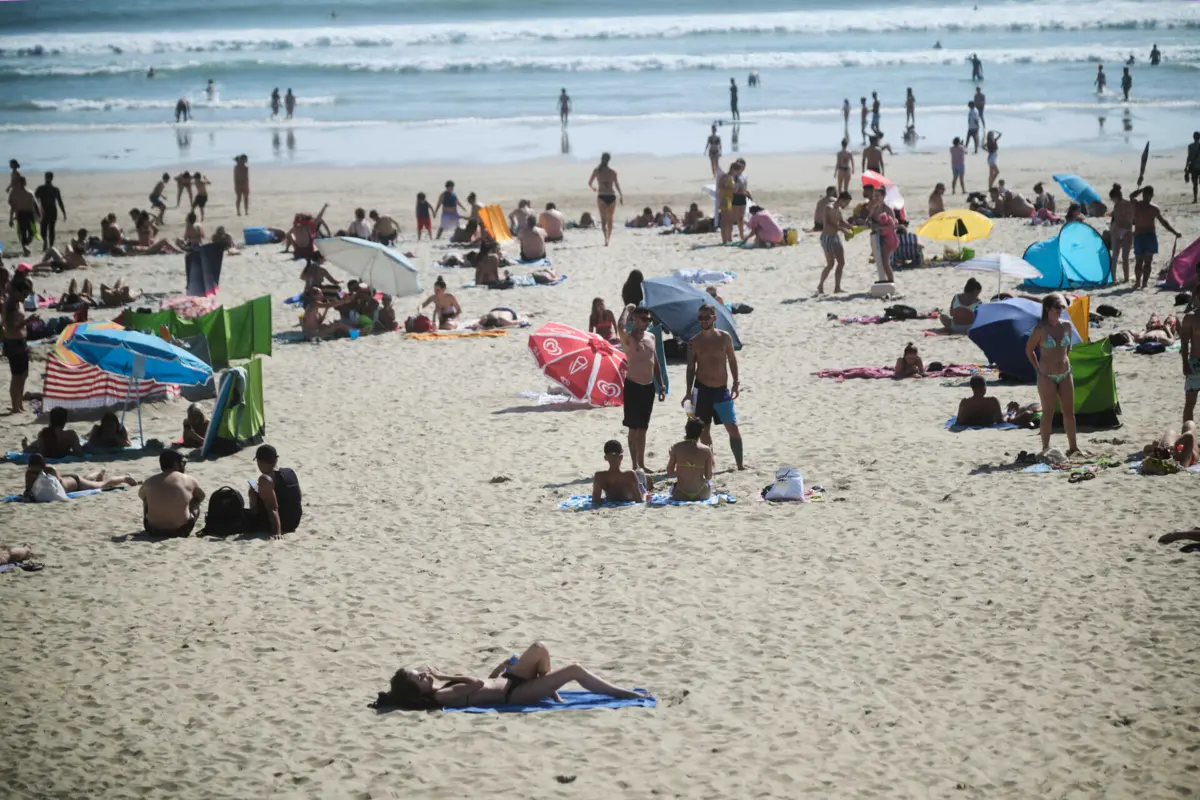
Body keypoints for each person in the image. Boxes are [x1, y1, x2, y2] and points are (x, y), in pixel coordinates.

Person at [370, 641, 645, 711]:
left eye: (421, 673)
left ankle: (550, 688)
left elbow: (483, 682)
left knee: (540, 648)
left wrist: (500, 669)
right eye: (420, 679)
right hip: (514, 694)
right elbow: (477, 685)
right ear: (418, 693)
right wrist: (444, 674)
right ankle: (623, 694)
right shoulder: (442, 694)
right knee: (574, 669)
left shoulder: (443, 688)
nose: (425, 675)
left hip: (509, 682)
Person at [682, 303, 743, 470]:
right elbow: (690, 368)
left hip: (721, 389)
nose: (703, 321)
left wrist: (736, 382)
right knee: (703, 430)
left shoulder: (724, 337)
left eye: (706, 317)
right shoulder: (694, 342)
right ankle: (711, 461)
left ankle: (740, 464)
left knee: (732, 427)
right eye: (700, 318)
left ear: (714, 318)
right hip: (702, 390)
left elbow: (731, 359)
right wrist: (688, 393)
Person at [1025, 293, 1081, 455]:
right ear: (1048, 309)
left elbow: (1067, 348)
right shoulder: (1041, 329)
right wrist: (1038, 369)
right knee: (1048, 412)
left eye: (1062, 307)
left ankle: (1073, 447)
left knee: (1069, 412)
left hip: (1065, 373)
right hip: (1046, 376)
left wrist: (1063, 361)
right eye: (1057, 308)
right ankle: (1045, 448)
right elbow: (1029, 350)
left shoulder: (1066, 326)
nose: (1060, 311)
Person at [618, 304, 666, 472]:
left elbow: (655, 362)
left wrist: (661, 384)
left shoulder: (651, 337)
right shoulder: (629, 339)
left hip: (648, 387)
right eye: (643, 319)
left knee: (643, 428)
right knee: (633, 427)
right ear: (635, 319)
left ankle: (642, 463)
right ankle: (634, 465)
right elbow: (620, 327)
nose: (647, 322)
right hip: (633, 386)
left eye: (649, 319)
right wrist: (627, 309)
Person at [140, 450, 205, 537]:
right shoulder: (188, 479)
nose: (184, 466)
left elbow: (141, 495)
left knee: (146, 498)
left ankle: (155, 520)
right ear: (175, 464)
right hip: (181, 530)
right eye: (183, 463)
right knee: (195, 499)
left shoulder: (150, 481)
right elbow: (201, 496)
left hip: (152, 530)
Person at [1129, 186, 1181, 289]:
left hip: (1147, 236)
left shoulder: (1151, 208)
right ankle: (1139, 283)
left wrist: (1174, 232)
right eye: (1145, 195)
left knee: (1145, 262)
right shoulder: (1139, 205)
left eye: (1147, 195)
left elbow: (1163, 222)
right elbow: (1131, 196)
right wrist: (1142, 189)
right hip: (1143, 236)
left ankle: (1143, 283)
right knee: (1140, 262)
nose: (1146, 197)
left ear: (1151, 195)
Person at [24, 454, 136, 501]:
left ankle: (124, 478)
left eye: (36, 471)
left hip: (76, 483)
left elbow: (56, 489)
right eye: (32, 470)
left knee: (102, 485)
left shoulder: (51, 470)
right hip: (71, 480)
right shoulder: (29, 473)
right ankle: (98, 473)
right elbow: (28, 489)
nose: (33, 473)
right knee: (86, 478)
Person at [245, 444, 302, 538]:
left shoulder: (265, 479)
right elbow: (298, 497)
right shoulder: (290, 472)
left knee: (253, 489)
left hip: (278, 524)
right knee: (255, 487)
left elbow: (273, 509)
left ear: (259, 461)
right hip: (294, 522)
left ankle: (253, 514)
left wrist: (277, 533)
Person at [2, 274, 32, 413]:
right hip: (13, 342)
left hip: (21, 341)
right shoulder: (10, 304)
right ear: (17, 291)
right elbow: (10, 327)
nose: (26, 297)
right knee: (17, 376)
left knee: (24, 374)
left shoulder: (18, 303)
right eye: (24, 294)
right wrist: (27, 321)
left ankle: (19, 404)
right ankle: (15, 406)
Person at [666, 418, 714, 501]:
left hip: (680, 493)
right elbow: (708, 476)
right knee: (710, 485)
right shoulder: (706, 450)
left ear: (686, 430)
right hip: (701, 493)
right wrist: (710, 457)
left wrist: (673, 457)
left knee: (673, 488)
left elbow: (670, 473)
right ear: (701, 431)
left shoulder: (676, 447)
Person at [817, 191, 852, 294]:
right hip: (827, 237)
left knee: (841, 262)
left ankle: (837, 287)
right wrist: (842, 229)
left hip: (835, 237)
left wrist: (851, 227)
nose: (847, 205)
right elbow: (828, 224)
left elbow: (841, 222)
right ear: (842, 200)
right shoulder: (829, 208)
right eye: (847, 203)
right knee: (830, 264)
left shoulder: (839, 209)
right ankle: (820, 285)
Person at [591, 439, 647, 505]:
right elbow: (639, 501)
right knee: (640, 473)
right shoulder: (630, 475)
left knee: (640, 474)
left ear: (605, 458)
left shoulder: (599, 477)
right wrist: (645, 496)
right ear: (621, 457)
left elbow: (595, 501)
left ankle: (647, 479)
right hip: (636, 483)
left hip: (639, 482)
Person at [587, 153, 623, 247]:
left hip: (602, 195)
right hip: (611, 196)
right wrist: (621, 195)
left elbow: (590, 183)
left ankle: (605, 238)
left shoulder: (597, 171)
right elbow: (617, 185)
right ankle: (609, 239)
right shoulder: (612, 172)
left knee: (603, 219)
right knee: (610, 219)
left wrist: (594, 188)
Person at [33, 172, 66, 252]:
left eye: (48, 177)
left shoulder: (54, 189)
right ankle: (46, 243)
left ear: (51, 178)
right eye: (47, 177)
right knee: (44, 229)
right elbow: (34, 200)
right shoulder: (41, 188)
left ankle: (50, 246)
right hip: (44, 211)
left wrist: (64, 213)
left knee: (50, 229)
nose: (47, 178)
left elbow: (59, 201)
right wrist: (35, 210)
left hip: (51, 211)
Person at [1108, 183, 1134, 282]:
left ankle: (1114, 279)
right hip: (1127, 230)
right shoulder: (1129, 203)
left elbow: (1118, 218)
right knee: (1125, 257)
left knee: (1115, 256)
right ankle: (1126, 279)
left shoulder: (1117, 206)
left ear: (1114, 197)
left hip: (1116, 229)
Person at [8, 176, 40, 256]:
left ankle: (25, 246)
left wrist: (11, 219)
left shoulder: (29, 193)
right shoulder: (16, 193)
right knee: (26, 233)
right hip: (23, 214)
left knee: (30, 233)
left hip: (26, 214)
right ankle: (25, 248)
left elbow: (36, 206)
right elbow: (12, 206)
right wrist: (11, 218)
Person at [1185, 131, 1200, 204]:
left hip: (1194, 167)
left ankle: (1195, 199)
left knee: (1195, 184)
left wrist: (1186, 166)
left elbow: (1189, 157)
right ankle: (1195, 199)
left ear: (1193, 137)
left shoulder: (1190, 146)